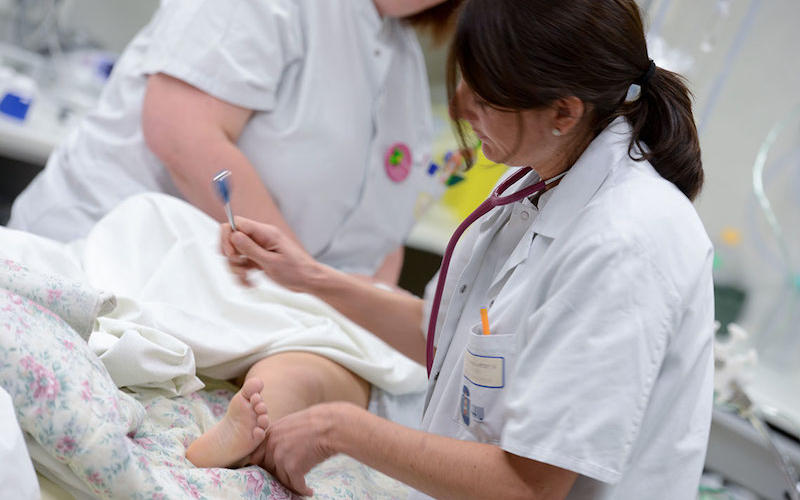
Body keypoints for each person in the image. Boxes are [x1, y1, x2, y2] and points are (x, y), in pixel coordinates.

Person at [203, 0, 715, 498]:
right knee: (288, 367)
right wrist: (308, 276)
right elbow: (446, 334)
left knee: (298, 374)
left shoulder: (626, 242)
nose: (458, 107)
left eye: (485, 96)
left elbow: (528, 486)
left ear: (564, 111)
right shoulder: (538, 183)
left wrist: (340, 429)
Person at [8, 0, 459, 285]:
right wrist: (309, 291)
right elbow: (182, 131)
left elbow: (379, 241)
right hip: (96, 269)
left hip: (231, 316)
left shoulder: (403, 61)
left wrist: (350, 319)